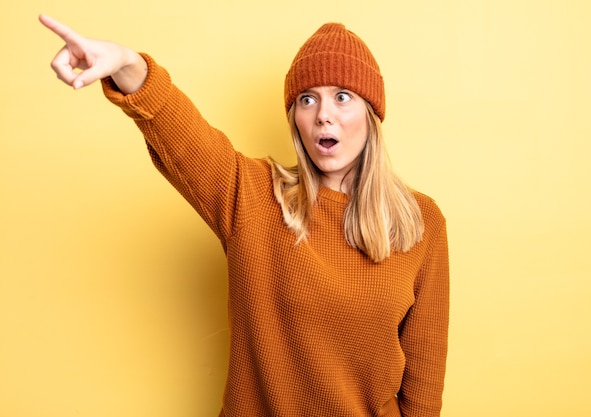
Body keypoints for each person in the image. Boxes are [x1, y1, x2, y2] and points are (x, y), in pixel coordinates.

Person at [39, 14, 450, 417]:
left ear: (371, 114)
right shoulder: (255, 196)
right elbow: (182, 133)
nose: (323, 113)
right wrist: (129, 65)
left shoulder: (421, 222)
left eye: (343, 96)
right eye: (308, 99)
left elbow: (423, 389)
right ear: (297, 121)